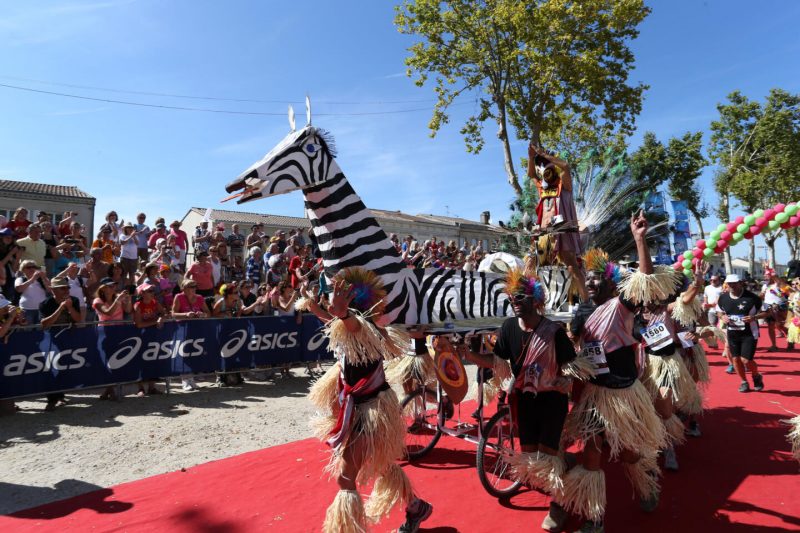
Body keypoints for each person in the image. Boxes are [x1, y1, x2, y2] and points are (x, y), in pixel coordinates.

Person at [300, 267, 432, 533]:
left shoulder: (363, 327)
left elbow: (351, 324)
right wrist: (317, 308)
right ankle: (416, 506)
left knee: (344, 479)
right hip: (361, 409)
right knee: (382, 466)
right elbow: (337, 323)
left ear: (353, 305)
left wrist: (342, 313)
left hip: (369, 412)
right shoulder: (354, 326)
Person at [459, 269, 591, 532]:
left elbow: (571, 367)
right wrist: (471, 357)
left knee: (549, 459)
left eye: (520, 297)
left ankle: (559, 507)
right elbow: (499, 364)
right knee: (532, 457)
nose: (514, 302)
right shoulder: (508, 327)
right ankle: (567, 463)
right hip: (524, 401)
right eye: (511, 298)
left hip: (551, 402)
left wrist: (566, 379)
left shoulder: (553, 332)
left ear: (535, 299)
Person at [564, 212, 669, 533]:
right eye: (588, 277)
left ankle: (646, 481)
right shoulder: (582, 311)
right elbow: (576, 345)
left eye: (597, 278)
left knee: (628, 454)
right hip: (595, 395)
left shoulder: (622, 306)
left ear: (611, 282)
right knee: (592, 456)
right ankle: (595, 518)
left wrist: (639, 239)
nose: (590, 281)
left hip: (624, 396)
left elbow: (645, 281)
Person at [527, 144, 588, 302]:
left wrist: (545, 156)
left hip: (562, 232)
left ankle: (587, 302)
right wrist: (531, 157)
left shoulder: (564, 186)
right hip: (544, 234)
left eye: (549, 170)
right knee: (541, 267)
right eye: (543, 171)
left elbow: (566, 166)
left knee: (571, 266)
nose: (545, 174)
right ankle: (545, 302)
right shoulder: (543, 189)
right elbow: (531, 174)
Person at [716, 274, 767, 393]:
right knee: (736, 359)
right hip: (733, 333)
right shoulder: (723, 298)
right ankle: (744, 381)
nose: (732, 286)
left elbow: (767, 312)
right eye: (729, 284)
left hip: (749, 333)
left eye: (734, 283)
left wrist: (754, 317)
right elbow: (719, 311)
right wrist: (723, 316)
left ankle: (756, 376)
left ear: (740, 283)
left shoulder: (752, 298)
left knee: (746, 360)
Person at [39, 277, 83, 410]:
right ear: (53, 290)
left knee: (64, 367)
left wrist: (69, 307)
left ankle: (61, 395)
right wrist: (60, 308)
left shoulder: (73, 300)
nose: (67, 290)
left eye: (68, 287)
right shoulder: (45, 303)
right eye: (63, 288)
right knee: (51, 368)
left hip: (69, 337)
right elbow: (44, 324)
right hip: (51, 339)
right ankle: (51, 399)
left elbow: (78, 319)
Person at [133, 282, 165, 396]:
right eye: (149, 291)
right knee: (141, 362)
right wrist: (155, 321)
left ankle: (152, 387)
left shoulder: (155, 302)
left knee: (153, 360)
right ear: (142, 293)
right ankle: (140, 388)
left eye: (152, 291)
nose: (152, 293)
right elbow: (139, 324)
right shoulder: (138, 305)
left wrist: (161, 318)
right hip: (140, 336)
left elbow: (163, 312)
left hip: (153, 335)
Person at [761, 268, 789, 352]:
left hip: (779, 307)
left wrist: (770, 271)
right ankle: (774, 345)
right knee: (770, 327)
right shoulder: (765, 285)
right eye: (765, 275)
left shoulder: (777, 284)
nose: (765, 277)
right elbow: (762, 296)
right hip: (767, 308)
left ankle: (790, 342)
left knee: (780, 325)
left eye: (767, 275)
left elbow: (780, 283)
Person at [15, 260, 50, 325]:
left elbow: (49, 290)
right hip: (26, 310)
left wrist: (44, 277)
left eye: (33, 267)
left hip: (41, 310)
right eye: (28, 267)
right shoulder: (20, 279)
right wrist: (33, 278)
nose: (32, 269)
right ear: (23, 270)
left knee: (40, 331)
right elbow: (19, 289)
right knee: (27, 331)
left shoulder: (41, 279)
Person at [119, 222, 139, 288]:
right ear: (125, 228)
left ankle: (131, 289)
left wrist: (134, 236)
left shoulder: (135, 236)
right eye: (128, 227)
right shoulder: (122, 235)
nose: (130, 229)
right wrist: (131, 236)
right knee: (123, 274)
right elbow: (122, 243)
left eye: (131, 228)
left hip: (134, 258)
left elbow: (137, 243)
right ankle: (122, 288)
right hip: (125, 258)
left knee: (132, 275)